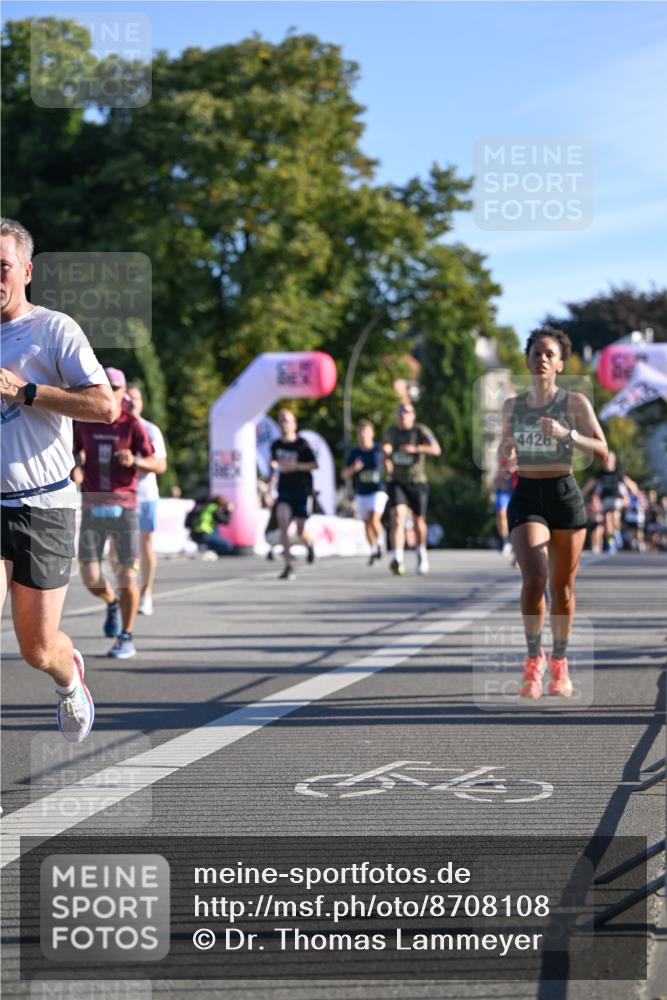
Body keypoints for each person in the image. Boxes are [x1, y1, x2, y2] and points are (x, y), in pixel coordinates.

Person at [0, 217, 114, 742]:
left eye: (2, 267)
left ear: (25, 270)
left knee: (38, 647)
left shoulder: (53, 329)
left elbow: (103, 405)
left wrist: (26, 392)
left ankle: (70, 679)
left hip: (44, 505)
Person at [499, 326, 608, 699]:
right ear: (527, 360)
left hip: (564, 494)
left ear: (560, 364)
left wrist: (567, 435)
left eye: (549, 354)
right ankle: (534, 658)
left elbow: (602, 450)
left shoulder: (575, 402)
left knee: (562, 590)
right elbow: (504, 446)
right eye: (536, 353)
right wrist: (507, 452)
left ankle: (560, 661)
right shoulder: (512, 406)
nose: (542, 358)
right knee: (534, 578)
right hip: (527, 494)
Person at [74, 367, 161, 659]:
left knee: (127, 577)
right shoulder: (84, 419)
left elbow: (156, 462)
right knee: (90, 577)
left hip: (125, 507)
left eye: (115, 387)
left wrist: (135, 460)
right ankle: (110, 602)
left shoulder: (133, 424)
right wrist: (75, 465)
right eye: (106, 386)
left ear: (123, 392)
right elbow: (73, 452)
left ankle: (126, 636)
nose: (110, 392)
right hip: (92, 505)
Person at [382, 403, 442, 575]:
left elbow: (436, 450)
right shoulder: (391, 432)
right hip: (397, 481)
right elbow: (384, 450)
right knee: (398, 517)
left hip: (417, 482)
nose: (403, 415)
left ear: (413, 415)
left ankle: (421, 552)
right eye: (400, 411)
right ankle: (397, 558)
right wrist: (386, 458)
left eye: (406, 412)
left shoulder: (420, 431)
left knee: (418, 521)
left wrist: (415, 448)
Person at [126, 384, 168, 615]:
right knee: (124, 548)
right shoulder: (115, 428)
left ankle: (147, 592)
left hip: (146, 495)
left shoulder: (151, 430)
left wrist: (135, 462)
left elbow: (161, 465)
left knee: (145, 545)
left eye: (136, 398)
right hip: (121, 496)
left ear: (142, 403)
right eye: (128, 397)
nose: (132, 402)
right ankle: (128, 590)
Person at [268, 409, 318, 581]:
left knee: (300, 529)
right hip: (284, 489)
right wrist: (269, 489)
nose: (284, 424)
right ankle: (288, 565)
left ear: (294, 424)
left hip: (302, 489)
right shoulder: (276, 445)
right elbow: (273, 468)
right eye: (281, 421)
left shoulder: (302, 444)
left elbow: (314, 464)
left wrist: (295, 466)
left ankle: (309, 544)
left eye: (287, 421)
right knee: (283, 523)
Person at [341, 419, 388, 565]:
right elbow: (343, 474)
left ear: (372, 434)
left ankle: (380, 542)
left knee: (374, 518)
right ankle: (374, 549)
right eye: (360, 432)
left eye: (366, 431)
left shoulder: (378, 449)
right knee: (366, 522)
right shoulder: (355, 452)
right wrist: (353, 469)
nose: (363, 434)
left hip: (378, 490)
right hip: (362, 492)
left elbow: (389, 461)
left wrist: (388, 462)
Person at [582, 452, 640, 552]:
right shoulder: (600, 473)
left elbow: (628, 482)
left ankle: (617, 534)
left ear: (614, 461)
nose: (607, 462)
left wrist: (636, 491)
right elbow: (590, 484)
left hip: (616, 499)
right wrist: (581, 493)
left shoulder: (618, 472)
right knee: (608, 520)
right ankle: (612, 542)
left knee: (615, 516)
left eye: (609, 459)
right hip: (605, 500)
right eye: (605, 460)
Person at [494, 456, 517, 555]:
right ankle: (505, 542)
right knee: (501, 513)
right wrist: (507, 468)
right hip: (505, 490)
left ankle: (515, 543)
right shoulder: (504, 457)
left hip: (518, 488)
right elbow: (497, 478)